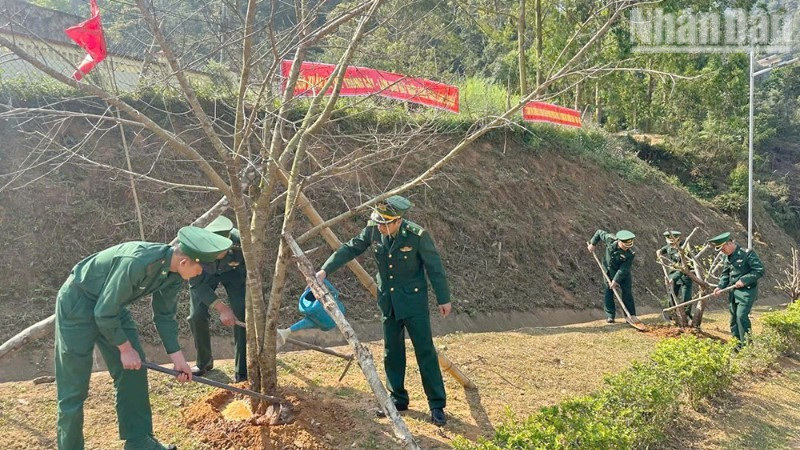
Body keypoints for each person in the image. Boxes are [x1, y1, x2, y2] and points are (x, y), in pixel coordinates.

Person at [54, 226, 232, 450]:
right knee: (73, 388)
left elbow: (164, 316)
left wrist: (178, 359)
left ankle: (138, 441)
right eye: (200, 270)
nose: (200, 275)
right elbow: (103, 312)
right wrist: (125, 348)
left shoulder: (175, 274)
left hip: (112, 308)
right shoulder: (138, 261)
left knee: (134, 373)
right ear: (185, 262)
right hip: (77, 305)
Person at [315, 195, 452, 426]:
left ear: (398, 221)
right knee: (392, 351)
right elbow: (350, 248)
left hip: (413, 303)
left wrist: (443, 299)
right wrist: (325, 270)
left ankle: (436, 404)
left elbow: (434, 268)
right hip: (388, 301)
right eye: (378, 222)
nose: (380, 227)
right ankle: (398, 399)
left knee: (424, 351)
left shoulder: (417, 236)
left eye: (385, 223)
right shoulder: (373, 230)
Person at [187, 216, 248, 382]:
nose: (219, 254)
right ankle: (204, 362)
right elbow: (196, 284)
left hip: (233, 273)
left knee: (242, 311)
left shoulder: (240, 243)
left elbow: (247, 270)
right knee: (196, 315)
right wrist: (222, 308)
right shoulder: (194, 249)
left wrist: (234, 308)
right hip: (204, 275)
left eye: (222, 250)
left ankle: (241, 371)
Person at [710, 232, 765, 346]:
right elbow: (725, 274)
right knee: (734, 319)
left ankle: (747, 347)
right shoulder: (727, 257)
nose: (721, 251)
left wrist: (744, 280)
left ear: (729, 243)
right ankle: (737, 345)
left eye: (723, 248)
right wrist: (720, 286)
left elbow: (759, 270)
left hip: (747, 291)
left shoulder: (747, 253)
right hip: (733, 292)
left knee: (741, 316)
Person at [587, 229, 638, 323]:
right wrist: (592, 244)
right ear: (619, 241)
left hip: (623, 274)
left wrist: (615, 280)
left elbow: (623, 269)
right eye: (625, 245)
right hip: (608, 271)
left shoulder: (630, 254)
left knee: (627, 292)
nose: (627, 248)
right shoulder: (610, 239)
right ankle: (610, 315)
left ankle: (630, 315)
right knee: (608, 291)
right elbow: (598, 232)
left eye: (629, 246)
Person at [656, 230, 694, 319]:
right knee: (672, 293)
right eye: (670, 242)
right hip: (673, 274)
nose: (672, 244)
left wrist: (673, 278)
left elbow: (684, 267)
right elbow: (664, 249)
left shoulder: (684, 248)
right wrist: (659, 252)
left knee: (686, 296)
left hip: (686, 275)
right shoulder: (669, 246)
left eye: (674, 242)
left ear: (678, 239)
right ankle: (672, 314)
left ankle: (687, 315)